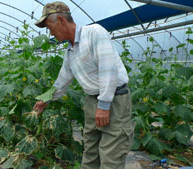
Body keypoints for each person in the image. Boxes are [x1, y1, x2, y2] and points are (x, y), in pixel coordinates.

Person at [33, 1, 135, 169]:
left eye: (50, 27)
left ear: (61, 20)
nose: (51, 33)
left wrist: (103, 105)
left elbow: (108, 69)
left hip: (114, 102)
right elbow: (62, 80)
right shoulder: (70, 51)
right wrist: (46, 99)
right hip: (91, 102)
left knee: (111, 157)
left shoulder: (95, 33)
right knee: (90, 153)